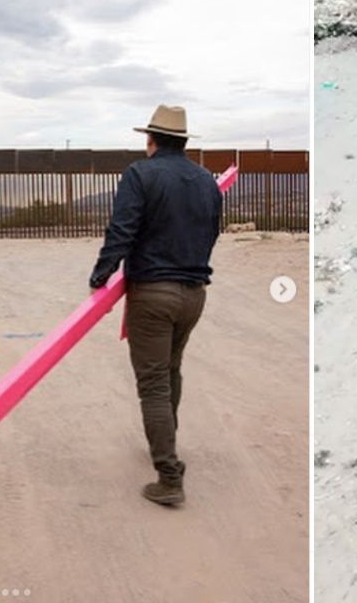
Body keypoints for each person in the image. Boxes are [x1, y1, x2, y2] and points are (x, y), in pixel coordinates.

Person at [88, 105, 221, 506]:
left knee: (153, 383)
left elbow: (122, 229)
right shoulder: (206, 181)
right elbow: (211, 232)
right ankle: (166, 443)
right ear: (183, 141)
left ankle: (169, 475)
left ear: (151, 140)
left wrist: (100, 275)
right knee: (170, 369)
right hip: (194, 293)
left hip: (153, 294)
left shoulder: (140, 174)